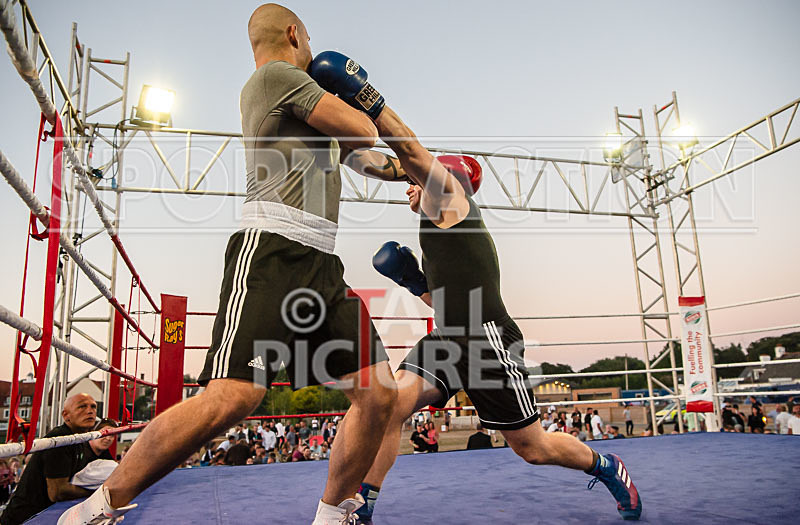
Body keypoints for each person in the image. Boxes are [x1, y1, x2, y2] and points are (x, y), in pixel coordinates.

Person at [58, 6, 402, 525]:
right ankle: (98, 506)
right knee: (232, 397)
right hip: (272, 250)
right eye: (308, 39)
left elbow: (367, 157)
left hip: (322, 263)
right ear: (294, 35)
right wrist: (365, 97)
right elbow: (365, 130)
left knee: (378, 394)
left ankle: (333, 513)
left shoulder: (305, 108)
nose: (312, 49)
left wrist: (411, 172)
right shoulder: (277, 77)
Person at [307, 52, 642, 522]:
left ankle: (606, 465)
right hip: (449, 336)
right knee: (386, 406)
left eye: (420, 178)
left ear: (448, 181)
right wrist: (334, 129)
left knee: (533, 447)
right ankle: (362, 504)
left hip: (488, 343)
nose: (410, 186)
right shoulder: (435, 220)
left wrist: (368, 100)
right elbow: (374, 164)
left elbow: (408, 151)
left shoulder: (455, 206)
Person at [1, 394, 99, 525]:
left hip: (41, 515)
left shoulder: (81, 440)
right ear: (66, 415)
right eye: (82, 406)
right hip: (25, 518)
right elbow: (57, 492)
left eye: (93, 406)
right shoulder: (60, 439)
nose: (90, 410)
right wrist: (96, 491)